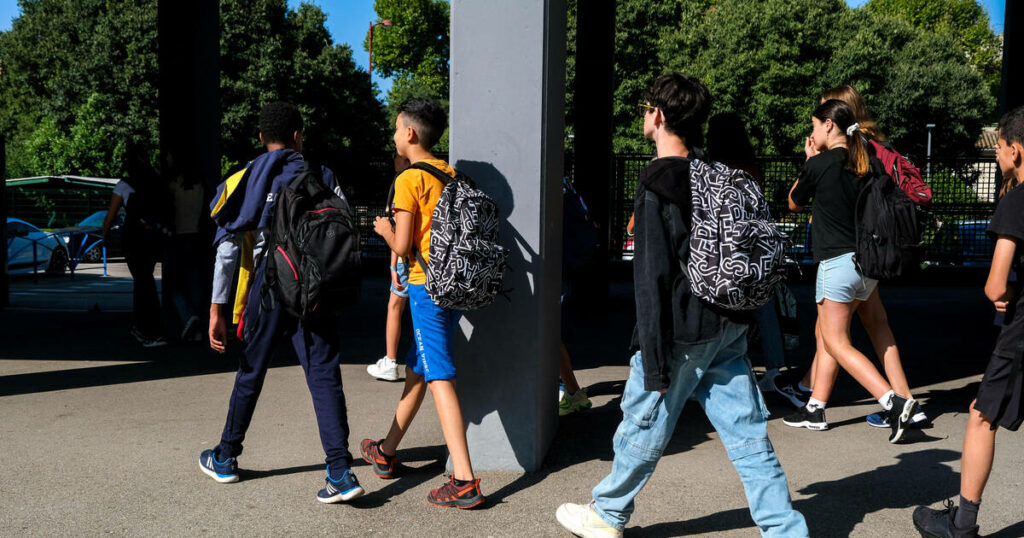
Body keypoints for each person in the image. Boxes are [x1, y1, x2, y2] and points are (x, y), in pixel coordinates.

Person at [555, 74, 808, 538]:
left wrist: (651, 357)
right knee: (748, 434)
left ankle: (607, 513)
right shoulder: (710, 173)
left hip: (683, 330)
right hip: (728, 323)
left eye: (645, 106)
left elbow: (651, 278)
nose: (642, 114)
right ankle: (785, 528)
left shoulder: (657, 182)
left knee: (644, 420)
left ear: (659, 115)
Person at [198, 101, 364, 504]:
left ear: (260, 138)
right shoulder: (323, 175)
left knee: (251, 370)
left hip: (270, 289)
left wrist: (217, 309)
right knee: (323, 372)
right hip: (314, 288)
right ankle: (340, 471)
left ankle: (226, 456)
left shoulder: (247, 177)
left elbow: (226, 250)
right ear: (298, 136)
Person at [361, 98, 485, 509]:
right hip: (452, 284)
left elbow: (402, 242)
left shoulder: (408, 179)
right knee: (420, 369)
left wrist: (383, 229)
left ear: (410, 133)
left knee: (438, 376)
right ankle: (386, 451)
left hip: (424, 286)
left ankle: (464, 481)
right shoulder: (450, 173)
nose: (394, 136)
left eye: (396, 129)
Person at [784, 85, 927, 427]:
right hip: (866, 262)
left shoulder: (821, 163)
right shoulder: (865, 161)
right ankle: (815, 405)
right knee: (845, 333)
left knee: (835, 340)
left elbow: (793, 201)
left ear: (831, 124)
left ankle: (893, 401)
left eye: (817, 122)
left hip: (835, 263)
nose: (813, 131)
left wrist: (808, 163)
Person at [912, 107, 1024, 538]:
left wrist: (1009, 294)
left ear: (1015, 150)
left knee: (981, 417)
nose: (995, 153)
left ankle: (962, 525)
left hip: (1020, 333)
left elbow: (995, 286)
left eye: (998, 146)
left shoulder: (1016, 202)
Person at [706, 112, 791, 396]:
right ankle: (775, 368)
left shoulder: (709, 167)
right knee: (764, 307)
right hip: (754, 248)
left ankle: (721, 368)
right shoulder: (751, 167)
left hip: (721, 249)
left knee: (720, 307)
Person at [103, 146, 168, 348]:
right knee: (146, 280)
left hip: (133, 237)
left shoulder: (124, 185)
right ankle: (151, 326)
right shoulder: (157, 182)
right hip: (153, 237)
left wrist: (104, 234)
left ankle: (145, 329)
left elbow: (111, 214)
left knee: (141, 283)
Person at [367, 153, 412, 381]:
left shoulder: (402, 181)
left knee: (395, 305)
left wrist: (393, 265)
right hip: (426, 257)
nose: (393, 158)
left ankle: (391, 361)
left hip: (407, 258)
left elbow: (398, 228)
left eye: (396, 155)